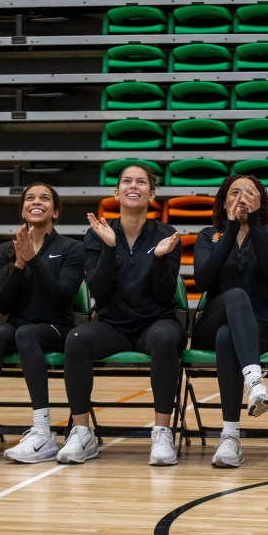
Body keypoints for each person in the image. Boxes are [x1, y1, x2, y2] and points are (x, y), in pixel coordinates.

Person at [62, 164, 184, 466]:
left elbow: (165, 294)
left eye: (141, 182)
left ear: (151, 195)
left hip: (155, 323)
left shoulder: (167, 235)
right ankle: (81, 433)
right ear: (116, 193)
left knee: (165, 337)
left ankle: (162, 433)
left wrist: (159, 259)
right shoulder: (97, 234)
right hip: (112, 326)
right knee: (76, 338)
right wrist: (109, 247)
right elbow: (99, 290)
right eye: (127, 181)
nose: (133, 186)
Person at [0, 183, 83, 463]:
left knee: (27, 333)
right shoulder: (7, 249)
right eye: (30, 198)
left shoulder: (72, 248)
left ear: (55, 211)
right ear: (22, 210)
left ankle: (42, 431)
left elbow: (62, 299)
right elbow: (4, 305)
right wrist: (19, 265)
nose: (36, 202)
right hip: (17, 327)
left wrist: (33, 260)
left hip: (56, 328)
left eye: (44, 198)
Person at [192, 173, 268, 467]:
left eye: (249, 193)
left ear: (260, 202)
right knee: (235, 297)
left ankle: (230, 437)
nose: (241, 197)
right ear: (223, 202)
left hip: (262, 328)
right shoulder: (209, 235)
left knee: (226, 337)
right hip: (211, 323)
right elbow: (203, 280)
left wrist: (254, 225)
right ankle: (255, 381)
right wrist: (231, 231)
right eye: (234, 193)